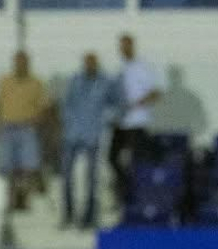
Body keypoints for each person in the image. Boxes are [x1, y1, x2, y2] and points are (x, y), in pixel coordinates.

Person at [60, 52, 117, 227]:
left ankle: (89, 216)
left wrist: (103, 121)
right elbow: (66, 103)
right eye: (87, 62)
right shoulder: (75, 80)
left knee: (91, 178)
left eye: (92, 62)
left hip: (93, 135)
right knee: (67, 176)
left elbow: (115, 105)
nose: (89, 65)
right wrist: (69, 121)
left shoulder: (106, 82)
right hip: (72, 134)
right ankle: (68, 214)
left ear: (97, 63)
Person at [0, 50, 51, 208]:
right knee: (6, 166)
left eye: (23, 62)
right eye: (18, 62)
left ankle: (24, 200)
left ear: (28, 64)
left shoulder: (36, 83)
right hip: (7, 127)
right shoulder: (4, 81)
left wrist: (38, 120)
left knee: (29, 166)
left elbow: (45, 107)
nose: (20, 65)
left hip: (27, 128)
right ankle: (10, 199)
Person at [111, 33, 161, 200]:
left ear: (132, 46)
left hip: (137, 122)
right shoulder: (119, 68)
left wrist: (137, 104)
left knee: (137, 160)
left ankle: (139, 195)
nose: (124, 49)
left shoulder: (143, 67)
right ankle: (124, 190)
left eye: (127, 45)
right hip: (121, 122)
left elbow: (156, 93)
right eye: (121, 46)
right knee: (112, 158)